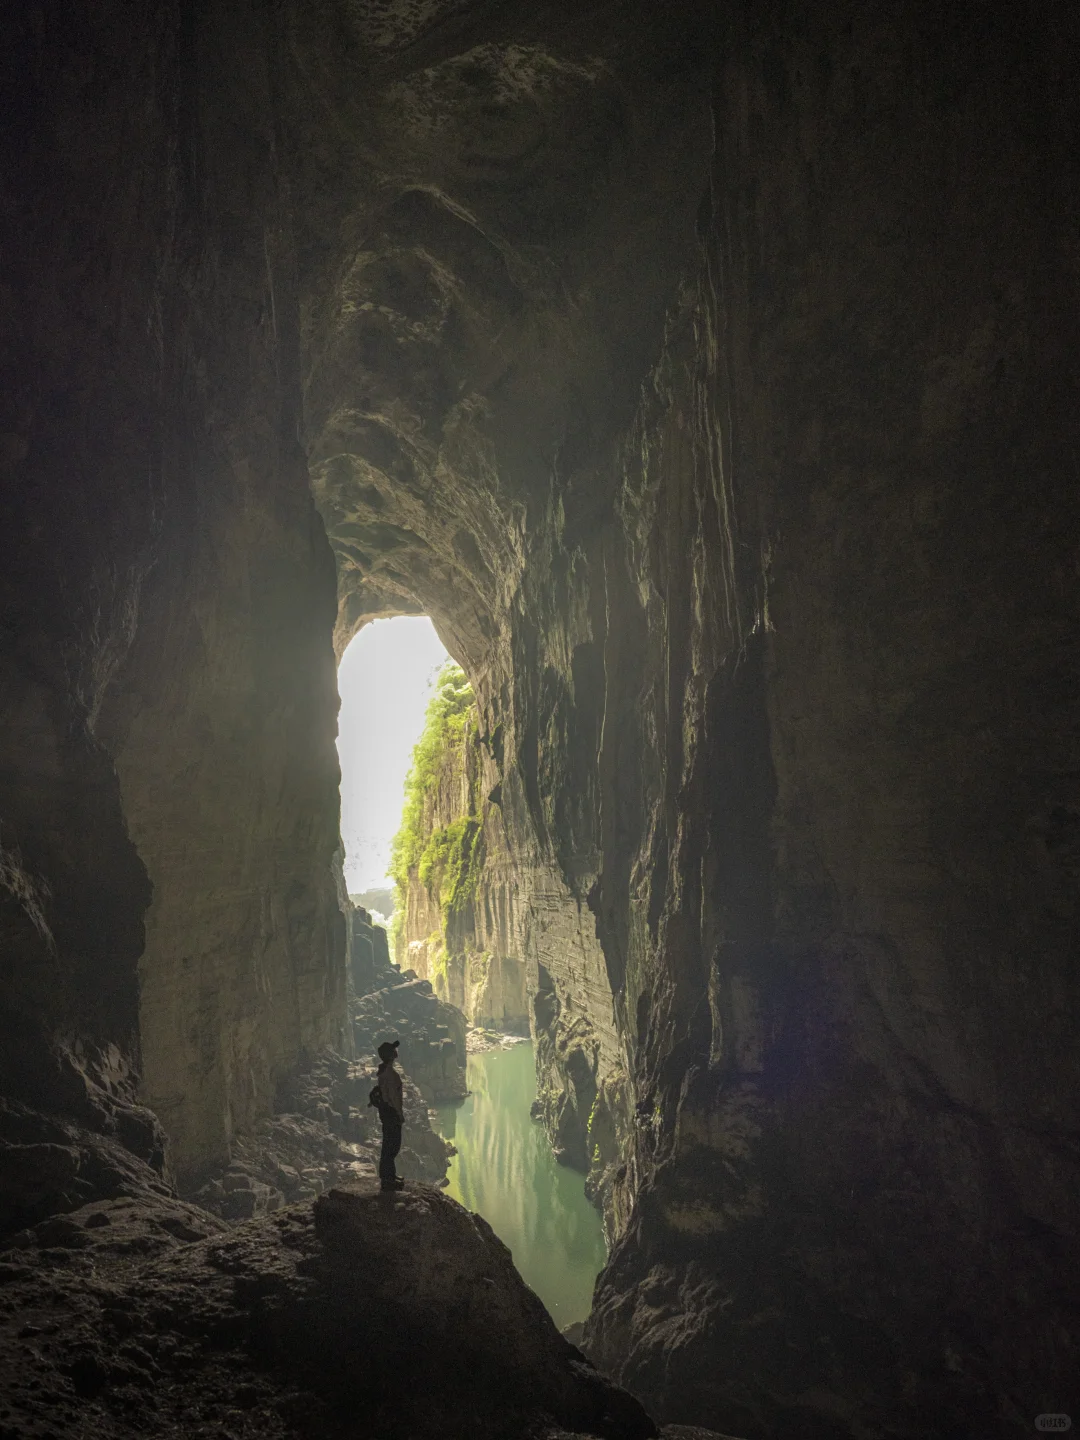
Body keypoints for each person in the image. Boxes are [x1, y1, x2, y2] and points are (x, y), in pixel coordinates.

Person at [374, 1039, 405, 1191]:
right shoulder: (391, 1075)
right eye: (394, 1050)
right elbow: (394, 1097)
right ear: (392, 1055)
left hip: (386, 1113)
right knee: (392, 1146)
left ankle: (389, 1176)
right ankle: (388, 1180)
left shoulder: (383, 1072)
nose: (396, 1051)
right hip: (392, 1113)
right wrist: (400, 1114)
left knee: (389, 1145)